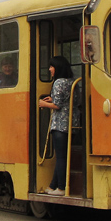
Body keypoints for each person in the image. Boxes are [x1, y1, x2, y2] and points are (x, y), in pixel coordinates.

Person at [38, 56, 74, 195]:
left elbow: (57, 105)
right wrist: (53, 98)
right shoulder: (71, 81)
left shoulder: (58, 82)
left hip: (59, 124)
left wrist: (44, 103)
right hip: (71, 123)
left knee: (60, 157)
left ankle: (61, 187)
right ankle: (53, 186)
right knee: (62, 156)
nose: (49, 69)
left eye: (51, 67)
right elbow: (71, 100)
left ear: (57, 68)